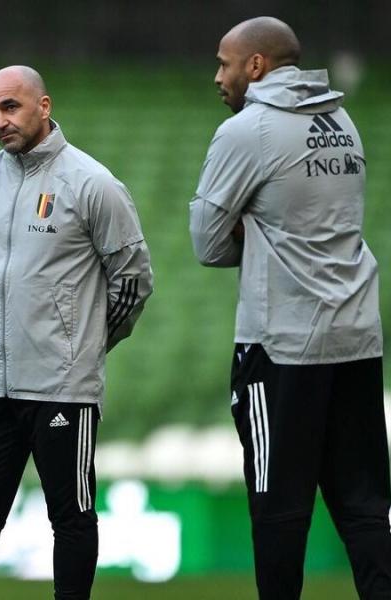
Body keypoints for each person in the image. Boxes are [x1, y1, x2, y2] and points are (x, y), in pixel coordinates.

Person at [190, 16, 391, 599]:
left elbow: (206, 243)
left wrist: (255, 238)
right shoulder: (340, 120)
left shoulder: (247, 130)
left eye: (225, 63)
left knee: (279, 511)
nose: (217, 76)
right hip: (356, 338)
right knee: (364, 509)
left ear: (256, 67)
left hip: (281, 346)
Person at [0, 65, 153, 600]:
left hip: (62, 387)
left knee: (72, 520)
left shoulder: (93, 184)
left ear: (44, 105)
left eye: (10, 107)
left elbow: (132, 281)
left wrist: (82, 343)